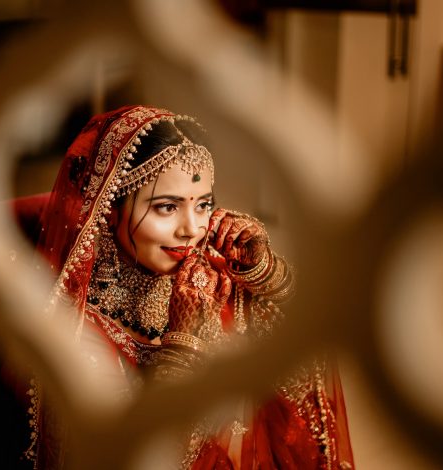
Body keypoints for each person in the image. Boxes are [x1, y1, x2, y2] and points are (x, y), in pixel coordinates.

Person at [22, 105, 354, 469]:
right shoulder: (76, 328)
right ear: (109, 208)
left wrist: (264, 271)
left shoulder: (208, 281)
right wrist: (185, 340)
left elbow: (315, 331)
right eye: (167, 207)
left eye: (203, 205)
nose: (191, 229)